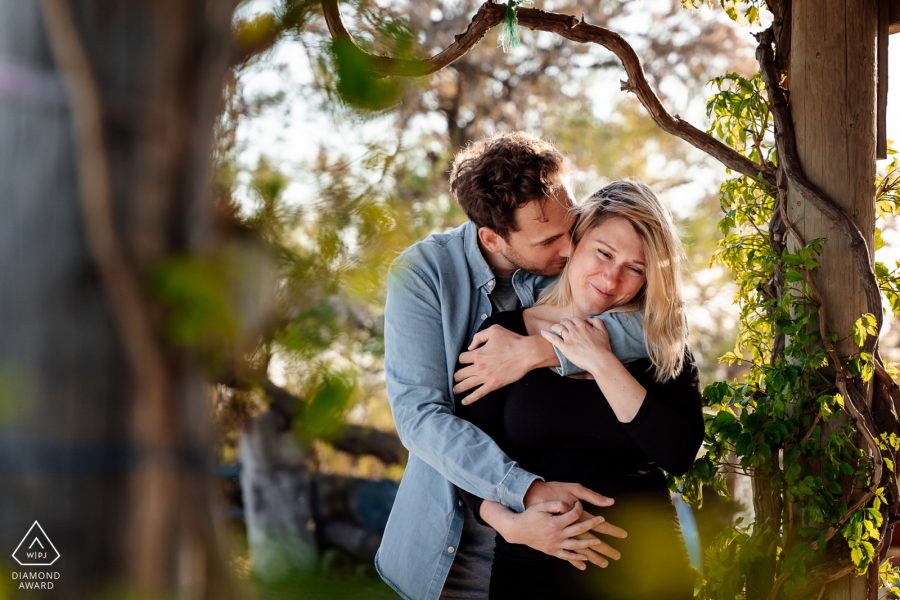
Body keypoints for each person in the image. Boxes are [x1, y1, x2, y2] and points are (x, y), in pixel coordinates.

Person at [376, 133, 647, 600]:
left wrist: (538, 351)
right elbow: (421, 418)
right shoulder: (421, 275)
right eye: (548, 240)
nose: (569, 249)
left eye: (572, 225)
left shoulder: (578, 261)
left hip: (564, 551)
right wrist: (522, 491)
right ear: (492, 237)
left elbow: (651, 329)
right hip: (455, 547)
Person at [456, 180, 704, 599]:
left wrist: (600, 360)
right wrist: (512, 526)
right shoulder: (503, 336)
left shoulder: (660, 345)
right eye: (604, 253)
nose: (611, 278)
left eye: (635, 268)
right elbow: (467, 457)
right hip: (531, 573)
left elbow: (678, 453)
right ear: (576, 241)